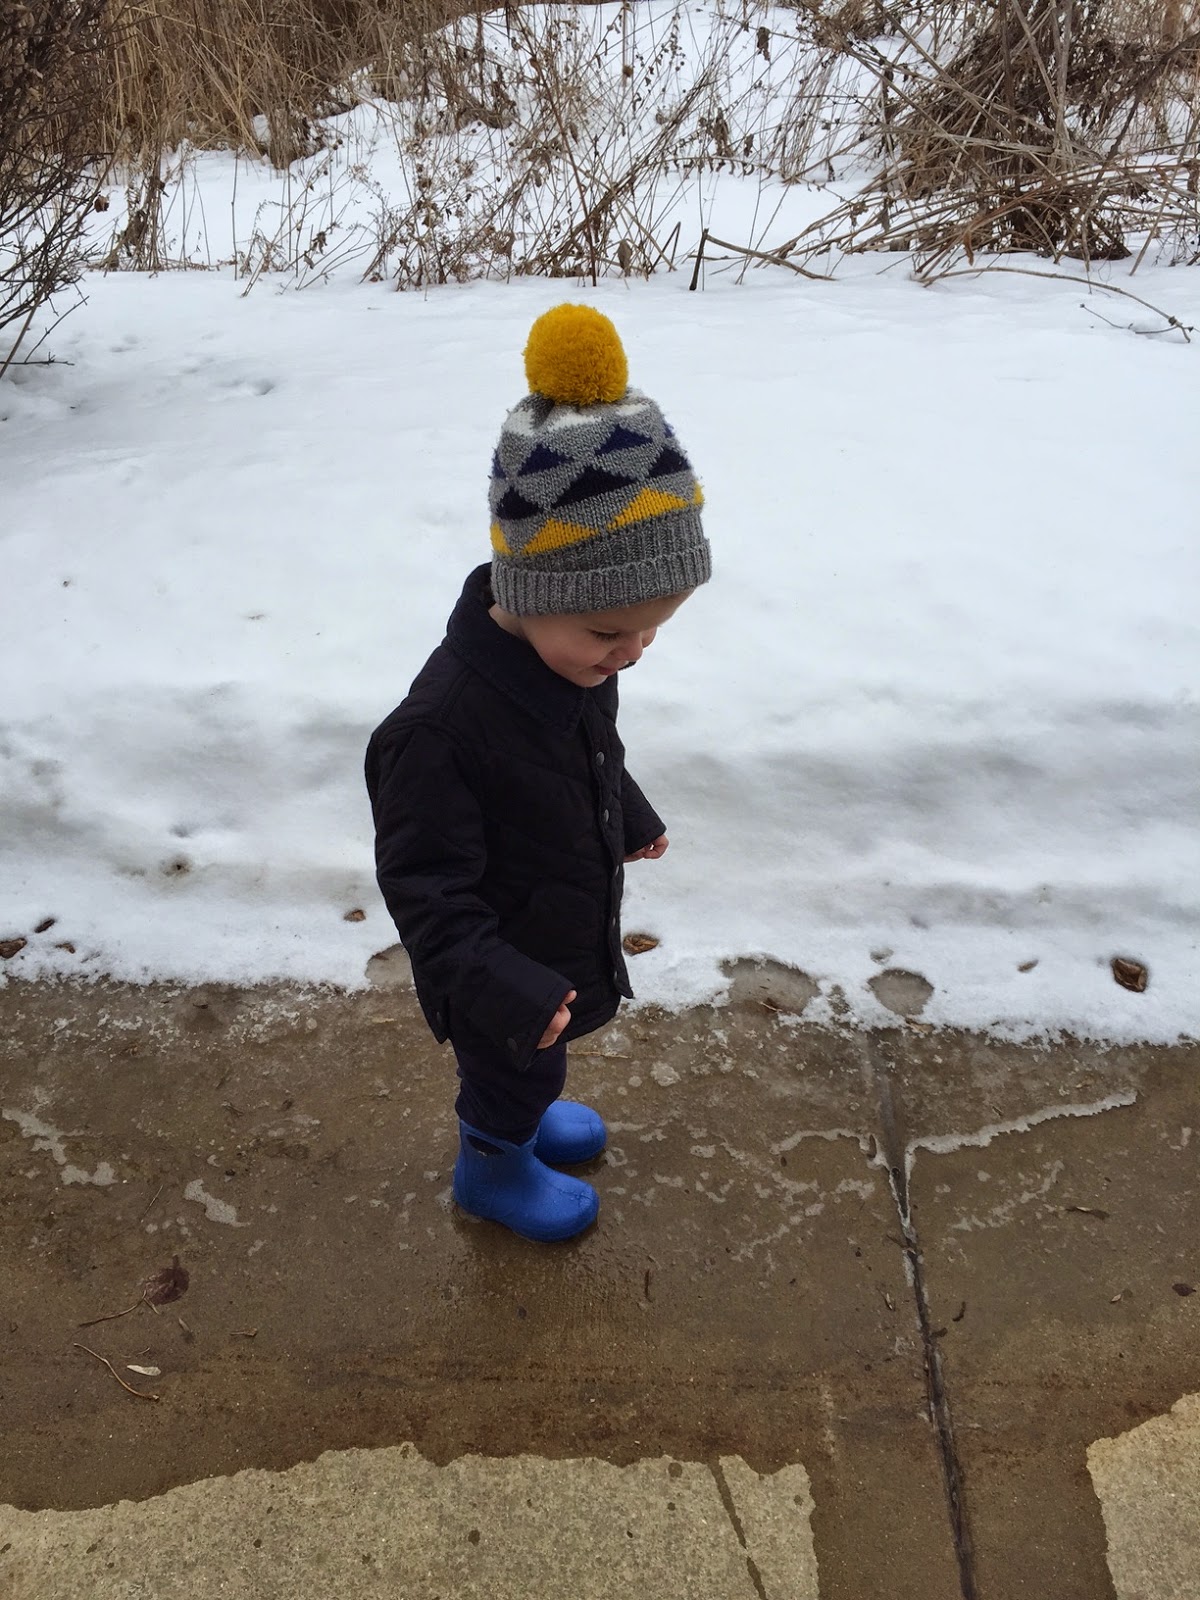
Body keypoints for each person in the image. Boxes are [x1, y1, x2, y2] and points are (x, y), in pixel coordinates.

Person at [365, 303, 711, 1243]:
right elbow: (425, 889)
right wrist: (503, 988)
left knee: (534, 1067)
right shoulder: (438, 734)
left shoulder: (570, 664)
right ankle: (492, 1169)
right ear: (530, 591)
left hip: (546, 932)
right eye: (610, 631)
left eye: (651, 633)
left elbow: (589, 751)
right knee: (509, 1071)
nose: (630, 653)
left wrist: (627, 810)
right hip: (498, 968)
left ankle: (523, 1114)